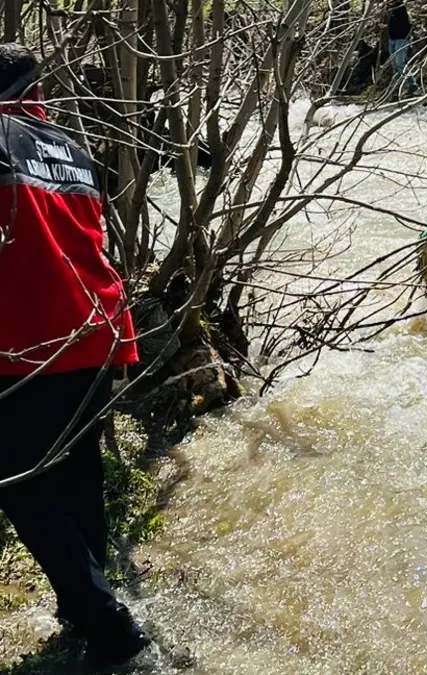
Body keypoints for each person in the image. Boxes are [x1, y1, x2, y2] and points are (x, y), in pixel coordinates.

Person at [0, 43, 150, 666]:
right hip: (98, 328)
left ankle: (106, 624)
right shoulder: (70, 147)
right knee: (77, 472)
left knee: (19, 483)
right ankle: (82, 605)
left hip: (33, 338)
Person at [384, 0, 412, 94]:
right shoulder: (389, 8)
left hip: (401, 38)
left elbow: (404, 23)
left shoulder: (400, 7)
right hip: (392, 38)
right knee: (394, 65)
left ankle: (411, 84)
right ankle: (397, 87)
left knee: (400, 63)